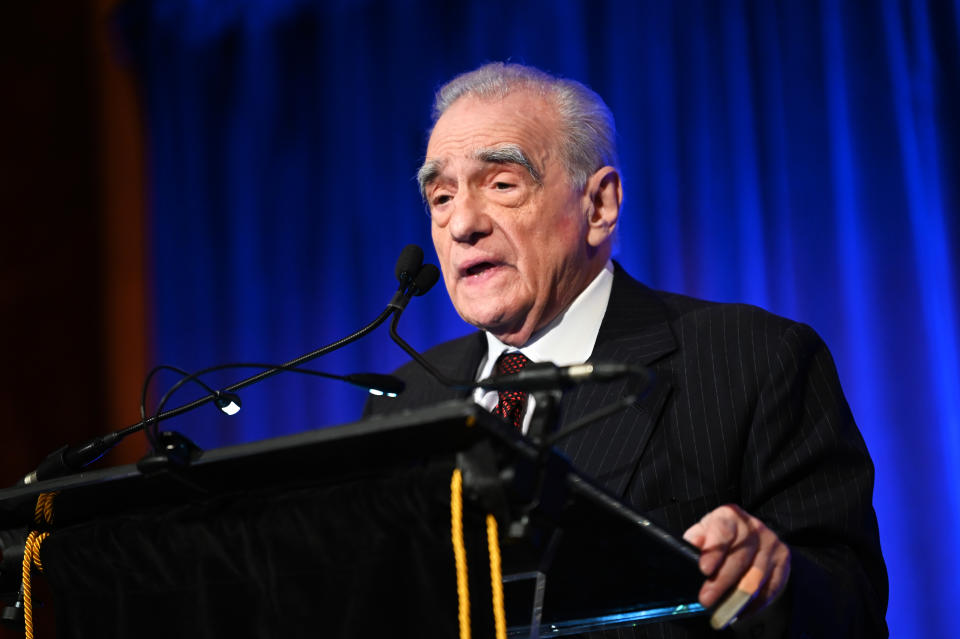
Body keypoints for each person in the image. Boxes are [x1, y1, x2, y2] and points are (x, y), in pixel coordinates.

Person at [365, 62, 887, 638]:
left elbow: (852, 608)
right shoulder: (404, 400)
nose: (461, 223)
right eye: (440, 197)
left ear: (599, 206)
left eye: (502, 184)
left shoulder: (754, 361)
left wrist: (773, 581)